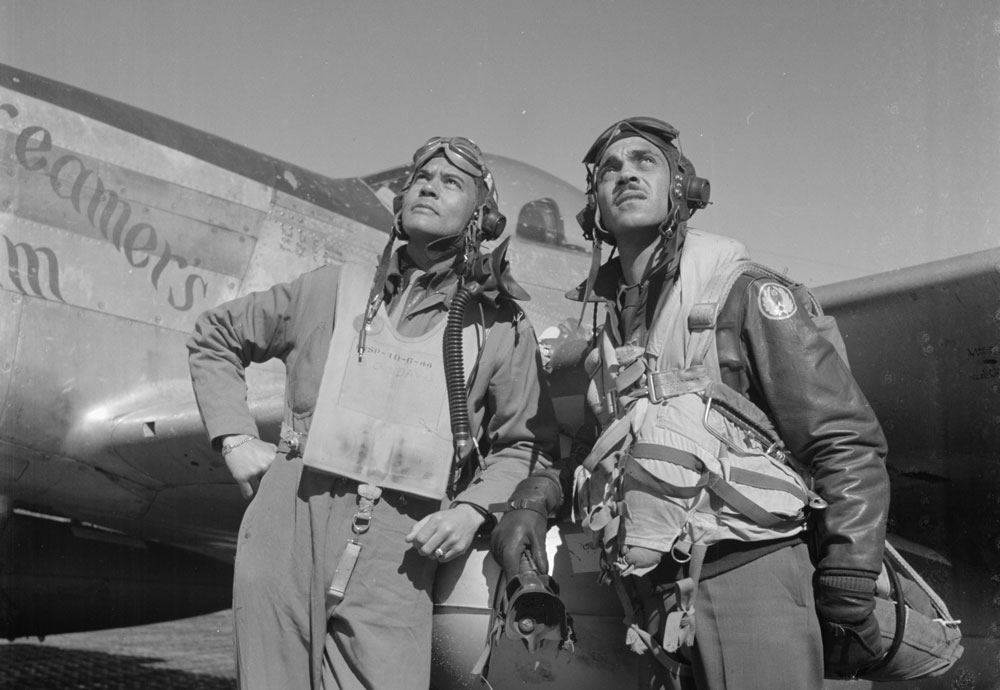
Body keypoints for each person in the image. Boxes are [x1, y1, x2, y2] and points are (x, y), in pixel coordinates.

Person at [491, 117, 890, 689]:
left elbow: (842, 439)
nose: (625, 172)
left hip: (748, 578)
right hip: (655, 603)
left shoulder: (742, 294)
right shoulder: (615, 327)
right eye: (609, 169)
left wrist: (848, 585)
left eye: (644, 162)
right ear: (594, 209)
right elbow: (596, 446)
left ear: (681, 187)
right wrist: (534, 499)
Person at [187, 136, 558, 690]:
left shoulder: (502, 328)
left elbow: (520, 443)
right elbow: (215, 334)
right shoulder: (331, 290)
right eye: (421, 178)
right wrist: (236, 438)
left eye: (451, 182)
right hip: (287, 527)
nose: (429, 185)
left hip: (401, 553)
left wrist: (472, 512)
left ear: (482, 216)